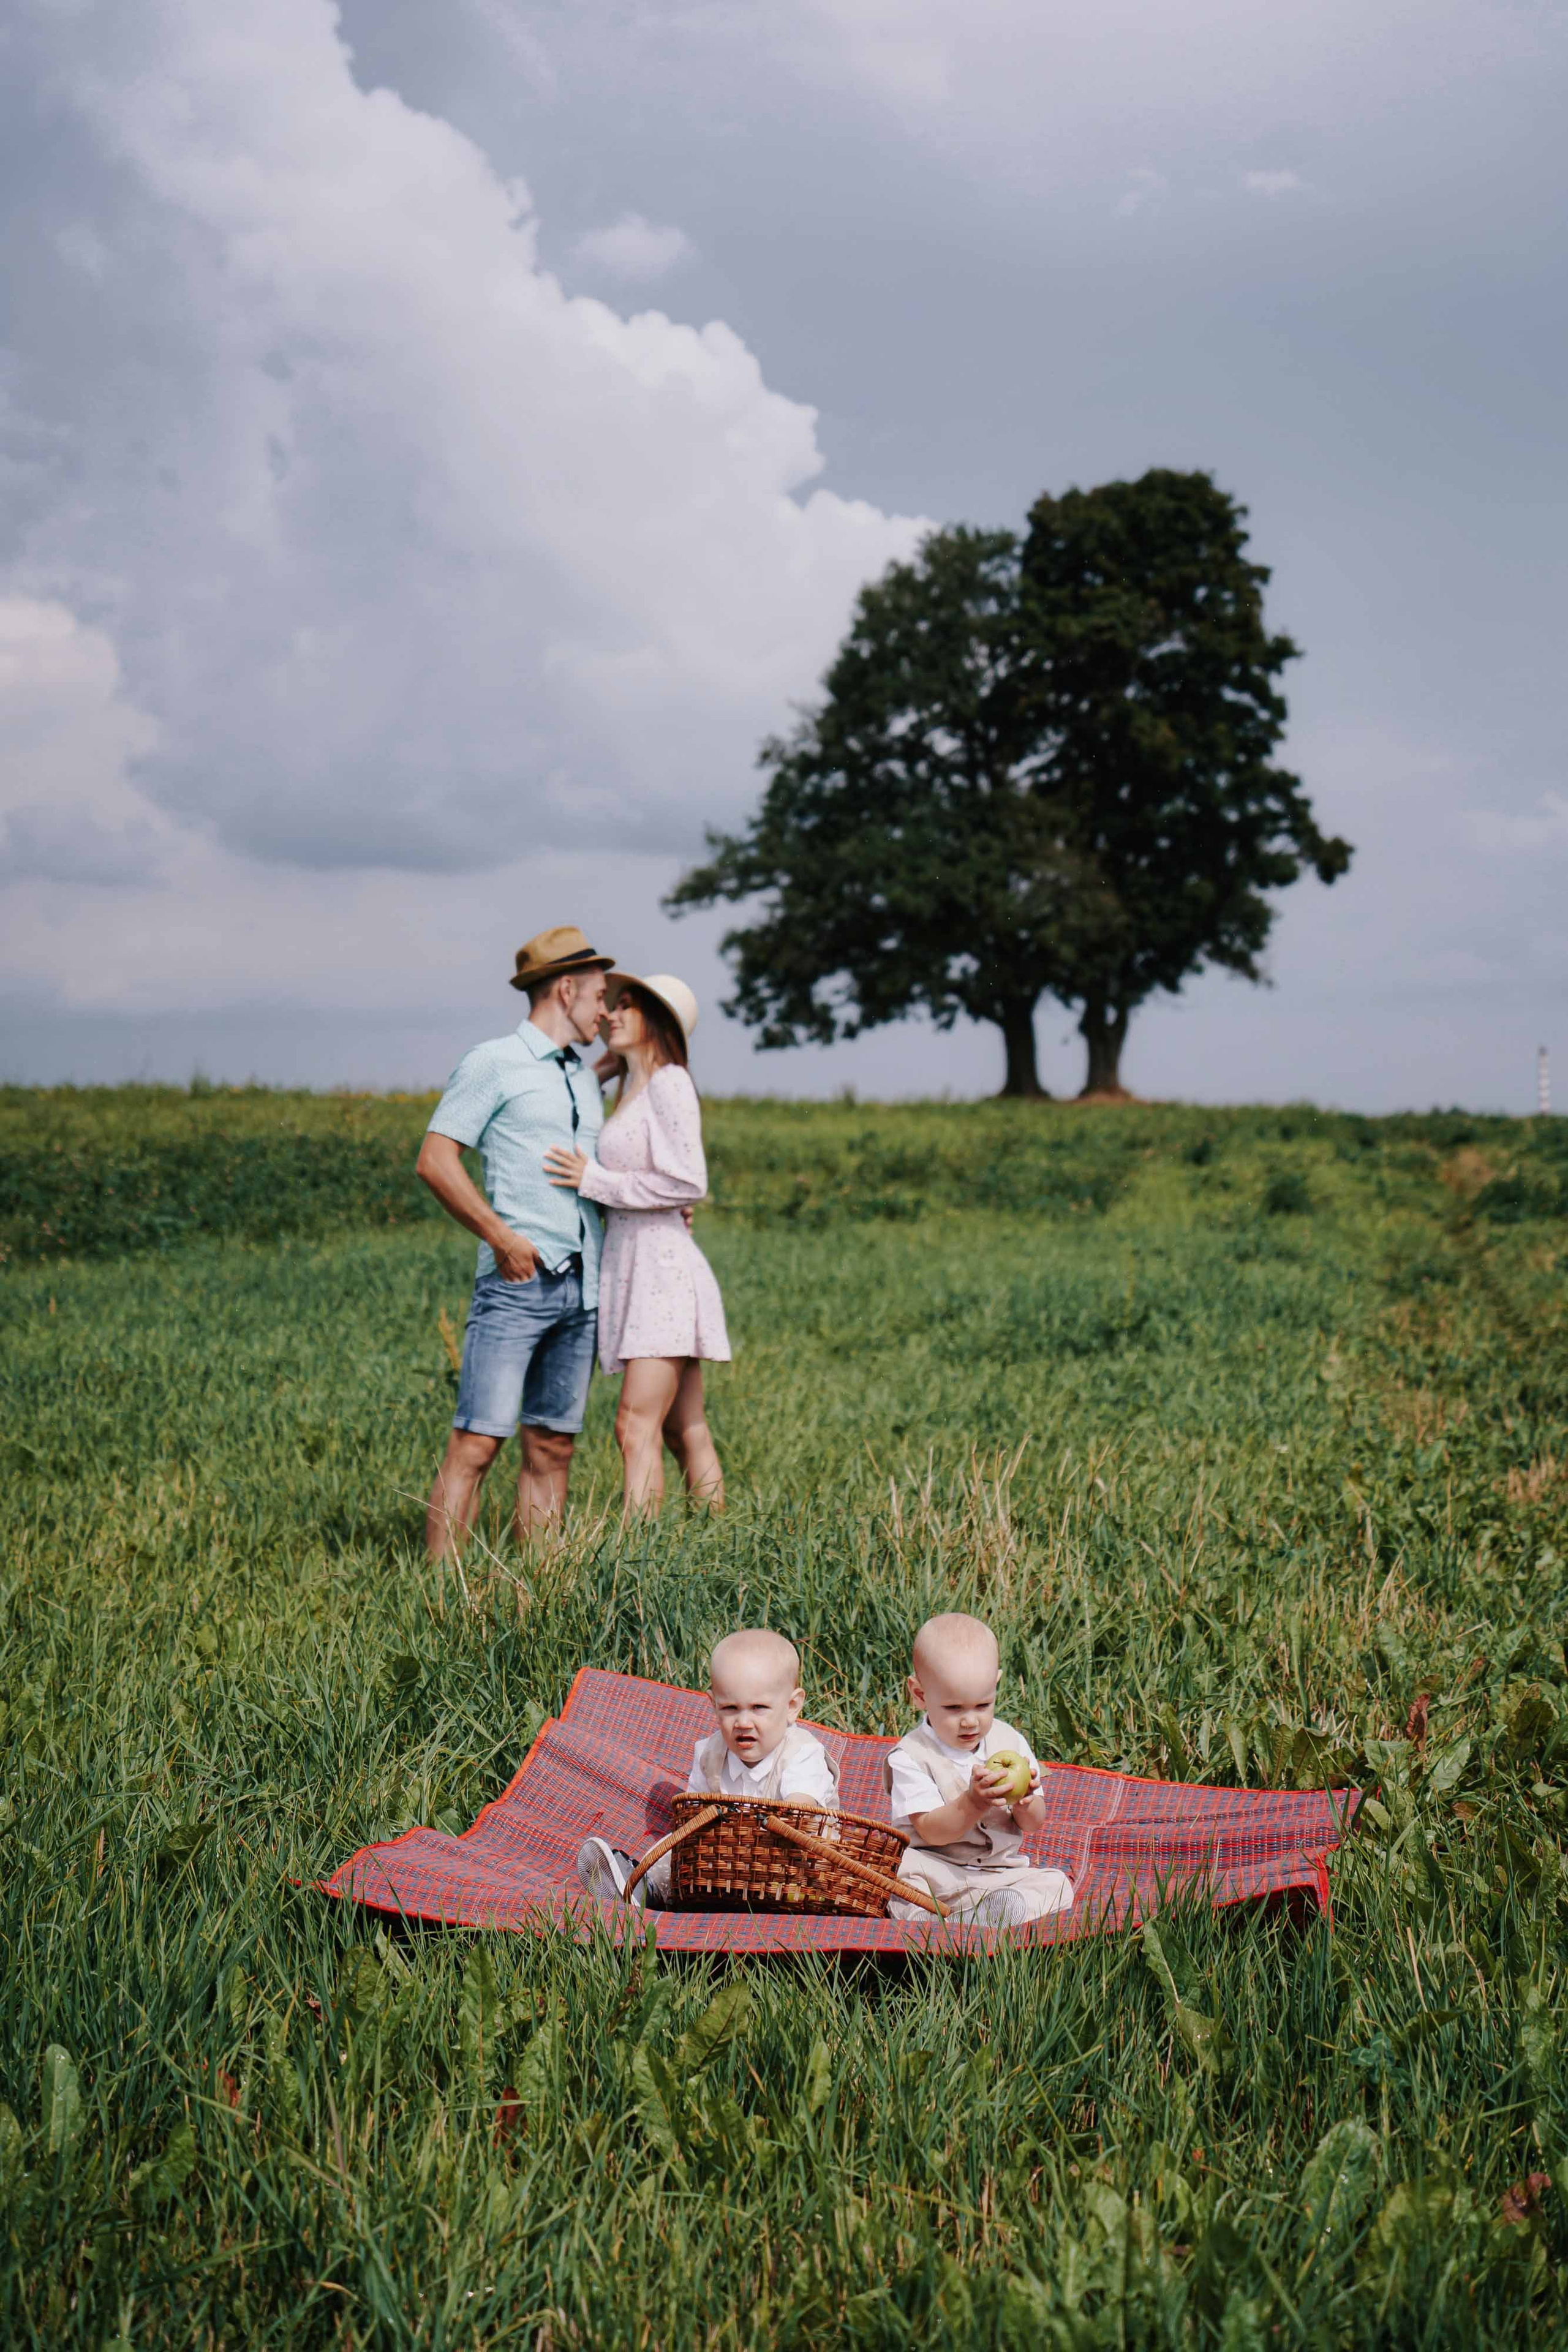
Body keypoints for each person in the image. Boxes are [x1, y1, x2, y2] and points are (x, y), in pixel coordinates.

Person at [417, 925, 612, 1557]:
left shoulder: (582, 1077)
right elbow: (436, 1159)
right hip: (518, 1283)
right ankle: (442, 1598)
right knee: (477, 1443)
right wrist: (502, 1238)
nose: (605, 1011)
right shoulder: (493, 1061)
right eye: (600, 997)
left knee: (553, 1446)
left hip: (583, 1286)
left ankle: (545, 1590)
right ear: (565, 989)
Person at [544, 971, 729, 1515]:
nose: (613, 1015)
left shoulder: (670, 1082)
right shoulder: (635, 1086)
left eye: (629, 1007)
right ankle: (715, 1550)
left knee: (634, 1424)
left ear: (659, 1022)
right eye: (613, 1005)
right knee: (684, 1429)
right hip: (637, 1263)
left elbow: (688, 1181)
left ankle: (640, 1565)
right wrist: (611, 1059)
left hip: (660, 1271)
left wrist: (592, 1181)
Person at [575, 1629, 837, 1907]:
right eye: (730, 1709)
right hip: (726, 1862)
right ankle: (642, 1886)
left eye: (759, 1708)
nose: (744, 1722)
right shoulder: (710, 1753)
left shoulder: (803, 1753)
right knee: (675, 1845)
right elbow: (692, 1814)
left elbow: (798, 1815)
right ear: (713, 1705)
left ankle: (690, 1893)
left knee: (800, 1866)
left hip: (792, 1862)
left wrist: (745, 1837)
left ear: (792, 1706)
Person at [884, 1611, 1074, 1928]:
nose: (970, 1720)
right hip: (936, 1871)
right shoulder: (910, 1756)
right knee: (898, 1878)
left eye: (983, 1705)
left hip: (998, 1875)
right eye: (954, 1708)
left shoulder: (1009, 1742)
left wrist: (1025, 1801)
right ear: (920, 1695)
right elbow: (931, 1830)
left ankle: (984, 1916)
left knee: (1057, 1885)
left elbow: (1033, 1824)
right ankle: (926, 1921)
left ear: (996, 1685)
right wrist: (974, 1802)